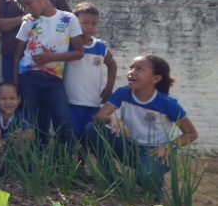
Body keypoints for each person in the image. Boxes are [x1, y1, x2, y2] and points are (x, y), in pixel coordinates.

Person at [84, 55, 198, 191]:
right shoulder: (123, 93)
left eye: (139, 69)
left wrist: (168, 147)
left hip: (154, 152)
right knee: (92, 129)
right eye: (131, 68)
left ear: (156, 78)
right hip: (128, 147)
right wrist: (111, 119)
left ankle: (155, 186)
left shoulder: (168, 104)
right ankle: (112, 177)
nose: (132, 72)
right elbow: (98, 117)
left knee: (146, 180)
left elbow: (191, 133)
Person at [13, 0, 84, 145]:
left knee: (63, 123)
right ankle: (33, 164)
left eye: (29, 3)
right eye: (24, 6)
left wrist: (52, 58)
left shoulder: (68, 19)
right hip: (29, 78)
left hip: (54, 80)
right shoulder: (28, 22)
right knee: (29, 125)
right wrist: (16, 86)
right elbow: (17, 56)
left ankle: (65, 165)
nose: (28, 9)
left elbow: (79, 52)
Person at [64, 2, 117, 139]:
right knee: (69, 138)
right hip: (70, 101)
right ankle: (67, 161)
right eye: (85, 22)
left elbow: (112, 65)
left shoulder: (100, 47)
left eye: (94, 23)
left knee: (87, 139)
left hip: (93, 102)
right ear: (74, 22)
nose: (89, 27)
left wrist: (109, 87)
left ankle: (82, 161)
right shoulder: (67, 44)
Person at [0, 81, 34, 153]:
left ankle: (18, 163)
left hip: (13, 148)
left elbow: (32, 134)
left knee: (22, 135)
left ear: (18, 99)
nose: (8, 102)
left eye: (12, 98)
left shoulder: (19, 115)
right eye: (3, 98)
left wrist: (19, 137)